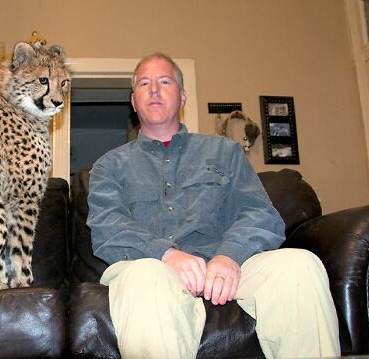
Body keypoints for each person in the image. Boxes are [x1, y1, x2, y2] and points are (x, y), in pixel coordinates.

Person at [87, 53, 340, 359]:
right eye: (144, 83)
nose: (154, 89)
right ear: (134, 100)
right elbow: (108, 228)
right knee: (147, 277)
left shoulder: (225, 152)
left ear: (182, 96)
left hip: (229, 266)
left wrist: (230, 256)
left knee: (299, 266)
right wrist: (166, 255)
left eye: (164, 81)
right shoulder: (108, 166)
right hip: (149, 268)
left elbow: (259, 213)